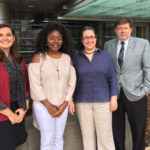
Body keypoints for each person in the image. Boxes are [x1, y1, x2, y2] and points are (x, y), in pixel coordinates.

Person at [28, 22, 76, 150]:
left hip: (63, 104)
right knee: (47, 138)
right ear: (45, 40)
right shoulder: (38, 58)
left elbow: (71, 83)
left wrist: (65, 104)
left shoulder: (67, 58)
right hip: (43, 105)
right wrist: (49, 106)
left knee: (59, 137)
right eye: (52, 38)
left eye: (59, 38)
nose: (56, 41)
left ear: (63, 40)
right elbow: (35, 85)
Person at [69, 26, 118, 150]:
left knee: (105, 136)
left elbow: (112, 77)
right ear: (82, 40)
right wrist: (70, 100)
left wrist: (114, 98)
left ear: (96, 39)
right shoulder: (76, 58)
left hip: (103, 102)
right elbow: (71, 81)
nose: (89, 40)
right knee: (87, 137)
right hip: (82, 103)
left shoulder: (105, 56)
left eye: (91, 37)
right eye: (86, 37)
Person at [104, 17, 150, 150]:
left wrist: (145, 89)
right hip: (115, 95)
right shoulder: (109, 45)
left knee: (138, 131)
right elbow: (110, 69)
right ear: (115, 30)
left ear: (131, 29)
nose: (122, 31)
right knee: (117, 130)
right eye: (119, 28)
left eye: (125, 28)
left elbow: (148, 67)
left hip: (136, 94)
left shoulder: (143, 44)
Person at [0, 24, 30, 150]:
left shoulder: (19, 59)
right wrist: (9, 113)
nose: (5, 38)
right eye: (0, 35)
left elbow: (25, 84)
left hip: (18, 109)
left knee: (16, 143)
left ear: (13, 38)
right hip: (3, 113)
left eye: (8, 35)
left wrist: (25, 106)